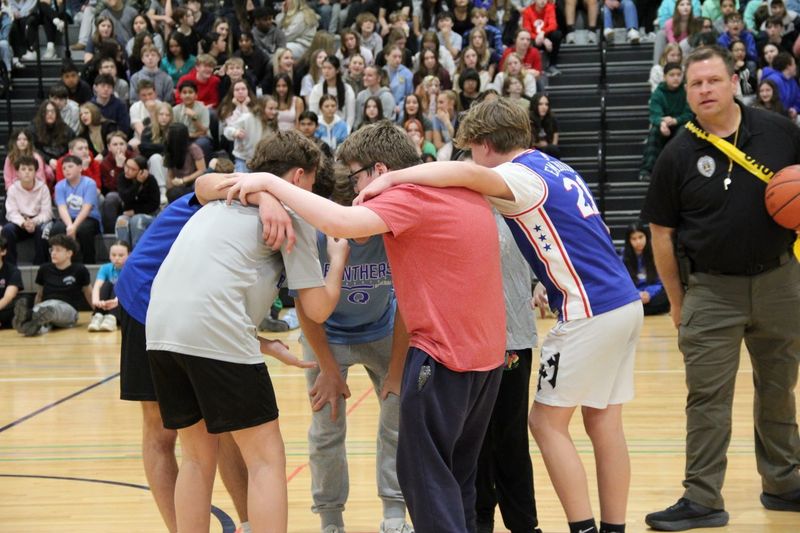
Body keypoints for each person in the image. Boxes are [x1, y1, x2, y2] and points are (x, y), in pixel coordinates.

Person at [352, 99, 643, 533]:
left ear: (486, 146)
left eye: (470, 149)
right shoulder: (550, 164)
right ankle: (614, 528)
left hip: (589, 309)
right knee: (604, 422)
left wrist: (393, 177)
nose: (469, 159)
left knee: (545, 424)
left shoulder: (515, 175)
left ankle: (583, 529)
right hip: (624, 302)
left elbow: (466, 175)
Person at [217, 120, 507, 533]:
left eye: (356, 176)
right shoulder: (458, 191)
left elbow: (339, 223)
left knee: (425, 478)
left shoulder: (408, 197)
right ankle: (332, 516)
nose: (355, 189)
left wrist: (268, 182)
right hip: (485, 358)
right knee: (455, 476)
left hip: (445, 356)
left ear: (379, 170)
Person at [146, 131, 349, 533]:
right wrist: (337, 260)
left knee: (196, 457)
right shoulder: (292, 214)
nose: (311, 192)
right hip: (213, 330)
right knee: (266, 458)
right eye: (310, 183)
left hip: (159, 329)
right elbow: (317, 307)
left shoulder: (224, 195)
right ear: (297, 176)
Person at [641, 45, 800, 531]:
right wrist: (679, 301)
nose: (705, 89)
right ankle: (703, 497)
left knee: (779, 388)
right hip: (711, 290)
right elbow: (661, 234)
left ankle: (784, 483)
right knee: (707, 397)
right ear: (684, 92)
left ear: (735, 80)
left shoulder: (780, 132)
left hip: (780, 280)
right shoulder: (676, 155)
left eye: (713, 80)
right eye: (695, 84)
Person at [292, 170, 412, 533]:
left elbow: (408, 306)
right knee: (326, 430)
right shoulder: (311, 237)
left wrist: (395, 370)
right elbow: (306, 310)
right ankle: (330, 518)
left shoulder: (391, 233)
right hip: (327, 336)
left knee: (397, 421)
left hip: (383, 330)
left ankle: (394, 513)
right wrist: (327, 369)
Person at [475, 207, 540, 533]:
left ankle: (524, 524)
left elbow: (545, 257)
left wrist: (542, 283)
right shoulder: (458, 204)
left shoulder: (518, 206)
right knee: (474, 438)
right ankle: (479, 518)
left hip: (512, 337)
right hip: (467, 341)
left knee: (511, 437)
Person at [12, 234, 91, 336]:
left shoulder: (80, 270)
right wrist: (37, 306)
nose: (53, 253)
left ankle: (30, 316)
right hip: (45, 305)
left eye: (58, 250)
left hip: (68, 309)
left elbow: (89, 293)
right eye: (52, 250)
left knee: (51, 309)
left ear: (69, 253)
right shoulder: (44, 269)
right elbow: (40, 294)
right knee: (42, 317)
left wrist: (98, 312)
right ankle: (27, 324)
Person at [639, 62, 694, 181]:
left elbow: (690, 114)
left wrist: (675, 120)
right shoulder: (658, 93)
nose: (676, 78)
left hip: (680, 124)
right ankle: (647, 169)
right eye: (672, 75)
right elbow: (654, 114)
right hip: (665, 125)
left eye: (679, 75)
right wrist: (661, 123)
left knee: (684, 130)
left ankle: (681, 170)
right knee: (654, 130)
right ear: (664, 77)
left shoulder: (686, 91)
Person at [51, 155, 102, 264]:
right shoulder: (59, 186)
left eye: (70, 166)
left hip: (89, 218)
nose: (66, 170)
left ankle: (89, 263)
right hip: (68, 218)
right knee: (56, 229)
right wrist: (70, 226)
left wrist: (74, 227)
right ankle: (60, 262)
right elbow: (62, 207)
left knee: (84, 230)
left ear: (80, 168)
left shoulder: (90, 183)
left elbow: (86, 208)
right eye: (64, 168)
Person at [2, 155, 53, 265]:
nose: (27, 172)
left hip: (38, 222)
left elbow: (47, 212)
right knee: (7, 229)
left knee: (44, 230)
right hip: (20, 222)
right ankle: (10, 265)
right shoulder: (12, 189)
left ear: (35, 172)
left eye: (30, 169)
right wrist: (23, 223)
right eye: (23, 169)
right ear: (18, 173)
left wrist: (33, 222)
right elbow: (11, 213)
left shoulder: (43, 188)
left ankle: (40, 265)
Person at [622, 222, 670, 315]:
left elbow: (660, 282)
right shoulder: (623, 257)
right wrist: (638, 294)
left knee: (667, 295)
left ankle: (638, 311)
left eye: (640, 237)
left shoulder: (655, 254)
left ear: (646, 237)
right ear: (629, 241)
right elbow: (624, 283)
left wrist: (649, 293)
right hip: (634, 295)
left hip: (651, 295)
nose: (638, 242)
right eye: (634, 239)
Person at [114, 155, 160, 248]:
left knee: (137, 220)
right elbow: (125, 197)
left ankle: (137, 252)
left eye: (132, 169)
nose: (127, 170)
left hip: (149, 214)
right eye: (126, 166)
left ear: (142, 171)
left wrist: (135, 211)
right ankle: (123, 251)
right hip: (128, 214)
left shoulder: (151, 180)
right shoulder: (122, 178)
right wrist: (138, 183)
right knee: (121, 221)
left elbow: (154, 204)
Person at [88, 240, 130, 332]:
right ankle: (98, 315)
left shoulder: (130, 269)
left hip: (121, 307)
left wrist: (115, 302)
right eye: (113, 255)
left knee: (118, 285)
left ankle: (112, 318)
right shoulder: (105, 267)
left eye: (121, 255)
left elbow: (128, 291)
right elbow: (97, 286)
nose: (116, 258)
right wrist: (96, 301)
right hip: (107, 305)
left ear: (129, 255)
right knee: (107, 284)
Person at [0, 235, 23, 328]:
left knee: (21, 303)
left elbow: (8, 297)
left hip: (4, 308)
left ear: (3, 251)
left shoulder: (13, 271)